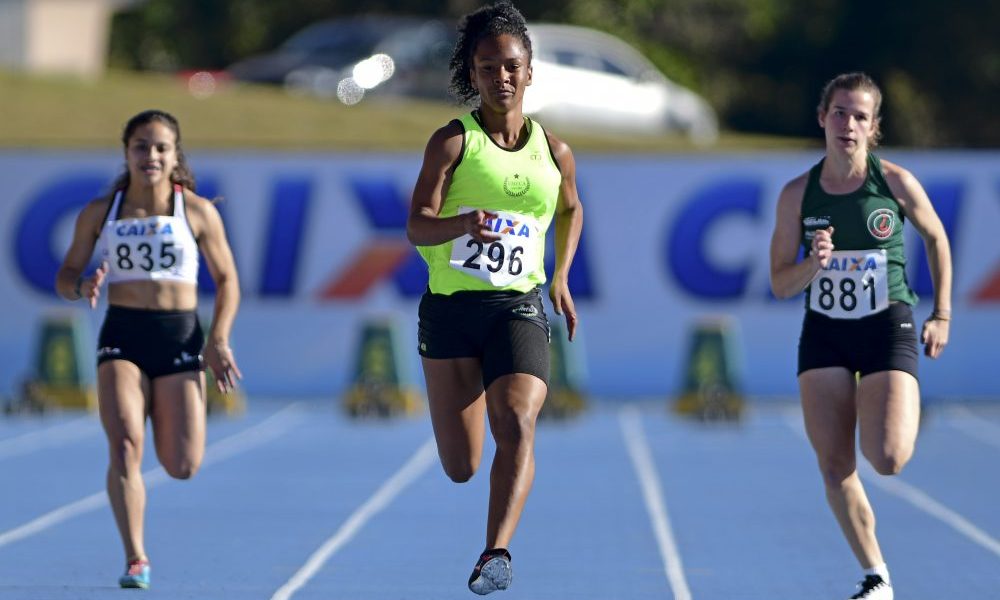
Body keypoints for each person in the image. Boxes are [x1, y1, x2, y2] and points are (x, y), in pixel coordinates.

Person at [406, 1, 583, 594]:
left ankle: (496, 553)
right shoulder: (453, 142)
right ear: (473, 75)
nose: (501, 78)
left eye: (511, 66)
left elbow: (571, 208)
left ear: (529, 71)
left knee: (519, 420)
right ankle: (477, 392)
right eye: (487, 68)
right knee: (462, 467)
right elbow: (417, 226)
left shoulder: (554, 152)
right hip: (452, 312)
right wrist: (461, 226)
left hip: (518, 305)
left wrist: (559, 276)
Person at [769, 73, 952, 600]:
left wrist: (941, 313)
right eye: (840, 113)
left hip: (884, 325)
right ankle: (876, 575)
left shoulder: (893, 183)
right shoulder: (797, 195)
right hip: (824, 332)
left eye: (860, 116)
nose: (848, 124)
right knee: (833, 465)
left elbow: (937, 239)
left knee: (888, 458)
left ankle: (904, 402)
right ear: (822, 119)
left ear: (873, 130)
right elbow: (780, 283)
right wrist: (813, 264)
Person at [55, 109, 242, 589]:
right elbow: (65, 276)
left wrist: (218, 337)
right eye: (141, 146)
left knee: (182, 465)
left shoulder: (196, 211)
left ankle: (166, 414)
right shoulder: (102, 212)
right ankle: (135, 556)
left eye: (161, 147)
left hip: (180, 337)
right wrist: (82, 285)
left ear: (175, 155)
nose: (151, 156)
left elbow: (227, 280)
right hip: (123, 335)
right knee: (123, 446)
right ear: (126, 152)